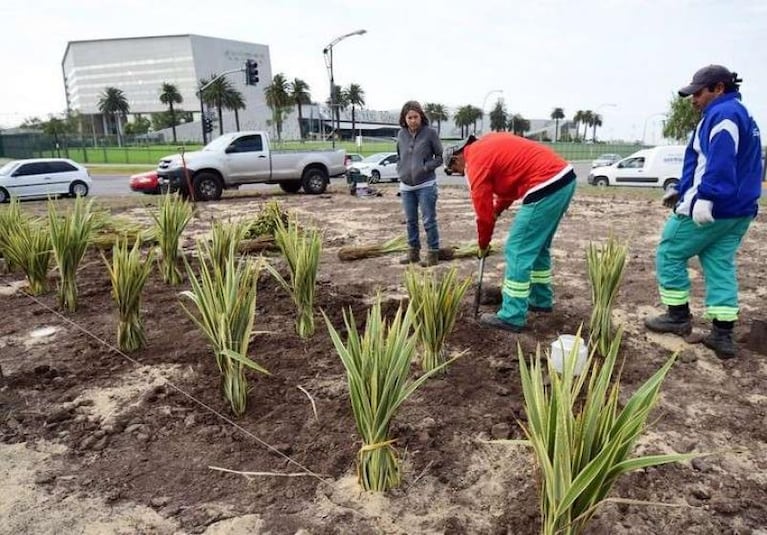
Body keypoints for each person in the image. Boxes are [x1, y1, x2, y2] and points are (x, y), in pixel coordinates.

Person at [645, 65, 763, 359]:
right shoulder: (742, 114)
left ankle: (678, 317)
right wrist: (682, 190)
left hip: (714, 207)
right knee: (719, 264)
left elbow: (720, 162)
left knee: (670, 251)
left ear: (719, 88)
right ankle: (722, 334)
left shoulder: (722, 115)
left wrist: (705, 197)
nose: (693, 98)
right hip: (739, 210)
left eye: (698, 92)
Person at [444, 132, 576, 332]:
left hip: (546, 184)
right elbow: (510, 189)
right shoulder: (486, 147)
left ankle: (512, 315)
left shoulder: (475, 162)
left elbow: (483, 214)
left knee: (517, 249)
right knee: (538, 247)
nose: (461, 174)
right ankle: (540, 300)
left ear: (457, 157)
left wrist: (482, 244)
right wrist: (498, 210)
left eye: (455, 170)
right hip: (564, 180)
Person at [396, 101, 444, 267]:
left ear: (421, 116)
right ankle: (413, 253)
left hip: (426, 185)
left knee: (429, 220)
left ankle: (433, 254)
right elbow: (399, 155)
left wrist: (425, 167)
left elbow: (440, 157)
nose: (413, 120)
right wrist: (400, 169)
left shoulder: (430, 133)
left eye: (416, 117)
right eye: (409, 117)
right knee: (411, 221)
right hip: (406, 186)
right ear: (404, 118)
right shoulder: (401, 134)